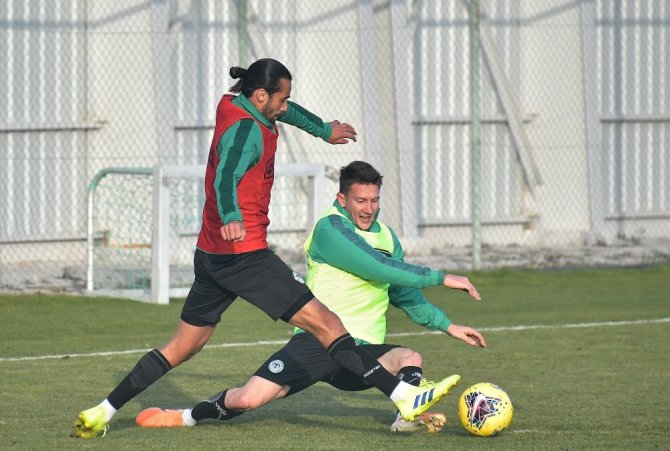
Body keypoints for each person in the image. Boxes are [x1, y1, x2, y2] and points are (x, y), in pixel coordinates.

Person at [72, 59, 459, 438]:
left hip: (210, 256)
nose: (285, 105)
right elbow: (226, 177)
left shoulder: (234, 104)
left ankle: (102, 411)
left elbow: (288, 114)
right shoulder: (245, 133)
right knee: (329, 324)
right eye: (281, 99)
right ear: (261, 96)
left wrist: (323, 130)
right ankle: (403, 395)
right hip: (245, 255)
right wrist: (231, 215)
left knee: (182, 347)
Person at [134, 160, 486, 433]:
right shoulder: (330, 230)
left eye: (374, 200)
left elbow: (403, 292)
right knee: (248, 398)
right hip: (319, 343)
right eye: (360, 200)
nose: (368, 208)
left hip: (360, 356)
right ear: (342, 199)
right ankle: (186, 416)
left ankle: (405, 418)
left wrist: (448, 325)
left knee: (410, 356)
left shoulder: (388, 237)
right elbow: (378, 267)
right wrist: (442, 277)